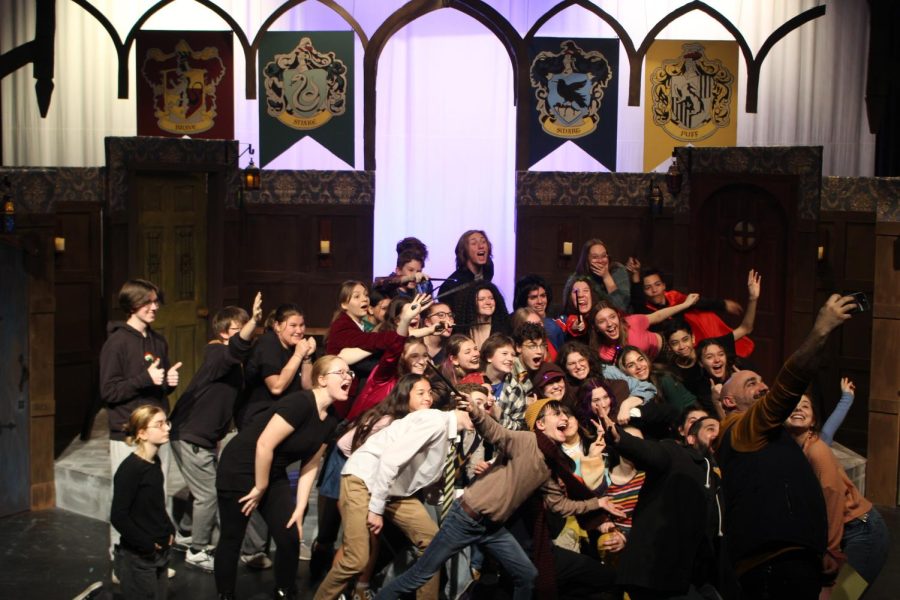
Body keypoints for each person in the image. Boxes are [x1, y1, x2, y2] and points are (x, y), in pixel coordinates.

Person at [375, 398, 626, 600]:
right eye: (556, 415)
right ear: (539, 425)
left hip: (492, 527)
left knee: (527, 575)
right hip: (465, 517)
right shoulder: (526, 441)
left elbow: (560, 505)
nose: (564, 418)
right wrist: (475, 410)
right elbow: (496, 432)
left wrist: (598, 503)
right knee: (421, 573)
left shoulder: (549, 465)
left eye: (565, 414)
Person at [715, 293, 857, 599]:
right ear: (728, 401)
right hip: (773, 566)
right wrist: (820, 329)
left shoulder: (767, 434)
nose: (763, 386)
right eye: (751, 383)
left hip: (792, 561)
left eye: (762, 381)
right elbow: (787, 388)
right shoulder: (741, 428)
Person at [315, 380, 475, 600]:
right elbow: (389, 461)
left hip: (392, 488)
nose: (484, 414)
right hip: (364, 479)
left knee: (432, 544)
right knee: (356, 559)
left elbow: (425, 479)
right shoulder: (434, 421)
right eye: (480, 406)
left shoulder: (450, 433)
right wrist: (376, 509)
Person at [214, 355, 346, 600]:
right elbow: (264, 444)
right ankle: (225, 594)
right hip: (240, 467)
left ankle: (284, 591)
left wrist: (300, 505)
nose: (348, 377)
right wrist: (260, 486)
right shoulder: (299, 403)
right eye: (341, 372)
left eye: (349, 373)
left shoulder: (332, 420)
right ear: (321, 379)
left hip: (272, 473)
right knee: (233, 536)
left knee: (289, 537)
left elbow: (311, 463)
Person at [168, 292, 262, 571]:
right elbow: (235, 350)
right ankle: (197, 549)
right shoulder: (218, 352)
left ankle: (186, 530)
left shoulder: (233, 361)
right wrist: (255, 319)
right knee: (209, 493)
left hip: (203, 436)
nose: (247, 334)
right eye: (239, 329)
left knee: (202, 488)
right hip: (190, 434)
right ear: (224, 333)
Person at [598, 407, 724, 599]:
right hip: (656, 572)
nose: (717, 433)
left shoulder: (720, 475)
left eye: (719, 429)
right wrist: (619, 438)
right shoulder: (676, 453)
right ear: (690, 438)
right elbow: (649, 451)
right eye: (709, 428)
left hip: (694, 575)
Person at [100, 279, 180, 566]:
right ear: (132, 304)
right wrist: (145, 379)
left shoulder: (158, 340)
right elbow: (108, 392)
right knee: (127, 499)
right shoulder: (117, 343)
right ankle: (121, 561)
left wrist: (168, 383)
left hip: (157, 429)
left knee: (156, 496)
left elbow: (158, 384)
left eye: (156, 301)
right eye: (148, 301)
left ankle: (156, 556)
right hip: (129, 433)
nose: (154, 306)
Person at [784, 390, 889, 595]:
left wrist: (831, 551)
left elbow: (831, 497)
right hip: (841, 531)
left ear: (813, 421)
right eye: (793, 405)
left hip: (862, 531)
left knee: (842, 595)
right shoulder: (791, 450)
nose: (798, 408)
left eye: (805, 406)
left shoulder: (817, 450)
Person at [110, 405, 176, 600]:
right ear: (142, 433)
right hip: (140, 558)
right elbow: (119, 516)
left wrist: (169, 530)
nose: (167, 428)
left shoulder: (154, 463)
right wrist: (147, 544)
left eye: (167, 422)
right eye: (160, 424)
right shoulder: (130, 470)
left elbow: (155, 505)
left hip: (160, 553)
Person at [633, 267, 754, 357]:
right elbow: (637, 302)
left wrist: (723, 304)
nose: (654, 290)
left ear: (664, 286)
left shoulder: (674, 297)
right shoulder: (646, 311)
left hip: (694, 346)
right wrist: (635, 276)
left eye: (657, 284)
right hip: (670, 353)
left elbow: (698, 302)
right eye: (648, 288)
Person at [235, 303, 316, 430]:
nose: (299, 331)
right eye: (293, 326)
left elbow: (308, 387)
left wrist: (307, 357)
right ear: (277, 326)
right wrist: (298, 355)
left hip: (286, 415)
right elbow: (276, 387)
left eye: (302, 325)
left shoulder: (299, 346)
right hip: (260, 416)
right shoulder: (268, 342)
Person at [590, 293, 699, 363]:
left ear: (618, 317)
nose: (609, 323)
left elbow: (657, 316)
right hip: (651, 366)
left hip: (667, 347)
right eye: (602, 321)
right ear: (596, 328)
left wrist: (685, 304)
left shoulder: (632, 322)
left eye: (612, 317)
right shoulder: (603, 352)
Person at [438, 230, 494, 316]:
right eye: (474, 243)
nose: (481, 246)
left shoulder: (488, 269)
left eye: (483, 241)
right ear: (464, 251)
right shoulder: (451, 285)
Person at [573, 239, 633, 311]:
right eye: (595, 257)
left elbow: (621, 306)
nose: (600, 260)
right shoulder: (579, 277)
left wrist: (606, 276)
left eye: (604, 256)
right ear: (587, 260)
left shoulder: (618, 270)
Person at [513, 274, 566, 351]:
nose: (540, 301)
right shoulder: (513, 323)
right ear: (523, 300)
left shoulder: (555, 323)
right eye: (533, 297)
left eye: (543, 296)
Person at [456, 281, 510, 349]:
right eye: (481, 299)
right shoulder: (462, 328)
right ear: (471, 303)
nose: (488, 302)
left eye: (491, 298)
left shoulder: (505, 328)